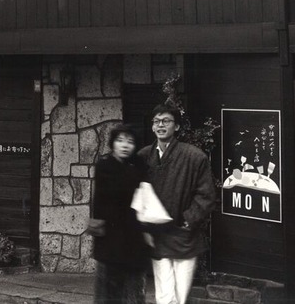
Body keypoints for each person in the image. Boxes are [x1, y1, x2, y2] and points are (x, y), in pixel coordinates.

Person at [137, 104, 215, 304]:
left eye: (166, 121)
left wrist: (189, 220)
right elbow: (137, 194)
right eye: (156, 121)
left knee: (181, 295)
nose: (160, 125)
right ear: (152, 127)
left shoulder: (195, 157)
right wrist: (144, 226)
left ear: (177, 127)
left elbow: (206, 195)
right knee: (164, 294)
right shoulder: (143, 157)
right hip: (158, 234)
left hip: (184, 234)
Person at [88, 124, 150, 304]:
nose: (125, 145)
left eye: (130, 142)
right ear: (113, 143)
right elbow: (104, 199)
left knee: (133, 288)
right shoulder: (105, 165)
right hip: (110, 236)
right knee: (108, 290)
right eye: (120, 140)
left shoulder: (138, 165)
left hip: (134, 235)